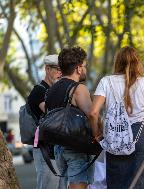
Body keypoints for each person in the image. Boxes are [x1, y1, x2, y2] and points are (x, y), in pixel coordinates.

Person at [90, 46, 144, 189]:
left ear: (118, 62)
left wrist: (97, 134)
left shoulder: (106, 82)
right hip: (142, 135)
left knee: (118, 180)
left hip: (115, 136)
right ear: (137, 62)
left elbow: (93, 113)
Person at [45, 46, 97, 189]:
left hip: (58, 148)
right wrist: (100, 136)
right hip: (75, 147)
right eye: (84, 66)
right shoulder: (78, 89)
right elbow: (92, 115)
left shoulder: (51, 90)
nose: (85, 70)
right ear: (79, 68)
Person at [27, 54, 62, 189]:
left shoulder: (53, 90)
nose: (60, 73)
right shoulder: (39, 91)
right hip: (44, 149)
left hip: (57, 148)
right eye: (57, 69)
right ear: (47, 69)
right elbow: (53, 114)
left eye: (62, 70)